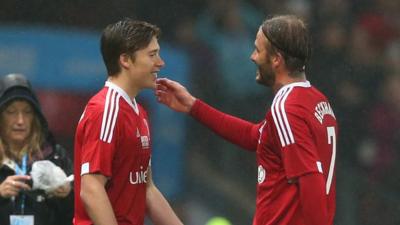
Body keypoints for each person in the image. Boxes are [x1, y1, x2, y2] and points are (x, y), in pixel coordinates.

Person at [156, 15, 338, 225]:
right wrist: (193, 106)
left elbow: (310, 177)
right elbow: (255, 136)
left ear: (276, 59)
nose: (253, 57)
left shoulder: (287, 109)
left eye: (258, 50)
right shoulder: (317, 101)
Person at [73, 18, 183, 225]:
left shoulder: (139, 112)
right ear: (125, 60)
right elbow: (91, 189)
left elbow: (147, 188)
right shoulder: (106, 110)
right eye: (152, 55)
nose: (160, 62)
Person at [0, 73, 73, 225]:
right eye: (11, 112)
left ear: (35, 117)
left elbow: (75, 217)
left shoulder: (55, 156)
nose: (20, 121)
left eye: (27, 112)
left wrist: (67, 196)